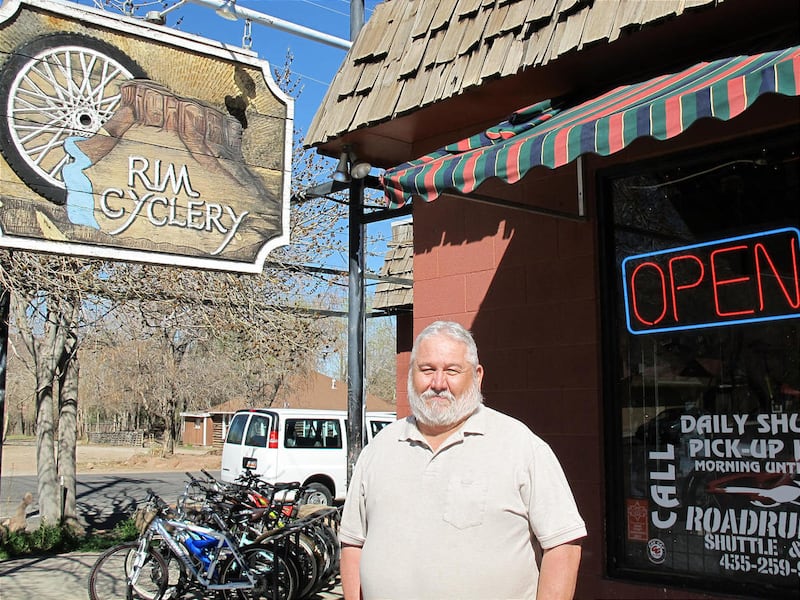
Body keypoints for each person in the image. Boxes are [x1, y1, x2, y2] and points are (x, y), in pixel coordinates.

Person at [339, 320, 587, 600]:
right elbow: (353, 542)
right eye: (427, 369)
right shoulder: (380, 449)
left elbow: (563, 545)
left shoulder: (521, 446)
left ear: (477, 376)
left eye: (452, 371)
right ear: (411, 374)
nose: (438, 383)